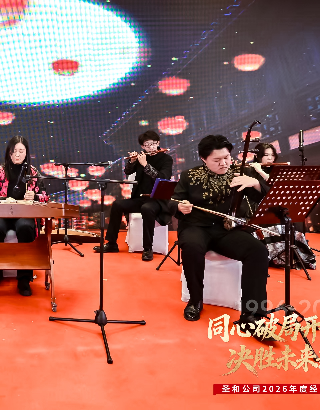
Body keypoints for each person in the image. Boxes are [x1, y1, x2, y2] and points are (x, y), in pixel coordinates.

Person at [174, 135, 271, 334]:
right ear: (204, 159)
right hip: (195, 226)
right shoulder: (189, 175)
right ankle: (195, 300)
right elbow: (174, 201)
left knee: (258, 251)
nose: (224, 163)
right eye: (217, 160)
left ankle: (252, 314)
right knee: (191, 247)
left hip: (225, 229)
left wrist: (255, 183)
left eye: (226, 157)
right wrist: (180, 206)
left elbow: (266, 196)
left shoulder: (241, 172)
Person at [94, 130, 173, 260]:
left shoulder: (166, 159)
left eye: (153, 144)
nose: (151, 147)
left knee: (147, 208)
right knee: (117, 204)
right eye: (147, 145)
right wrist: (131, 161)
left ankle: (147, 249)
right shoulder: (141, 156)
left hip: (157, 200)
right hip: (140, 198)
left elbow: (163, 178)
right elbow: (128, 171)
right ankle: (112, 243)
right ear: (142, 146)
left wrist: (145, 165)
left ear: (158, 143)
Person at [0, 136, 48, 296]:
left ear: (26, 153)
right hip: (2, 212)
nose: (17, 155)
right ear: (9, 153)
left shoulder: (33, 173)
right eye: (14, 151)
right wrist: (3, 199)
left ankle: (24, 279)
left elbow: (45, 197)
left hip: (24, 213)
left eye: (21, 151)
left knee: (26, 227)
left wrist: (34, 196)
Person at [249, 143, 316, 270]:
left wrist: (261, 171)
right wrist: (257, 171)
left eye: (272, 155)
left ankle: (291, 254)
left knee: (290, 217)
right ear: (258, 156)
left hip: (277, 207)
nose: (270, 158)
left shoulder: (277, 170)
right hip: (260, 207)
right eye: (266, 155)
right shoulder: (251, 171)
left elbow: (277, 188)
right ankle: (273, 255)